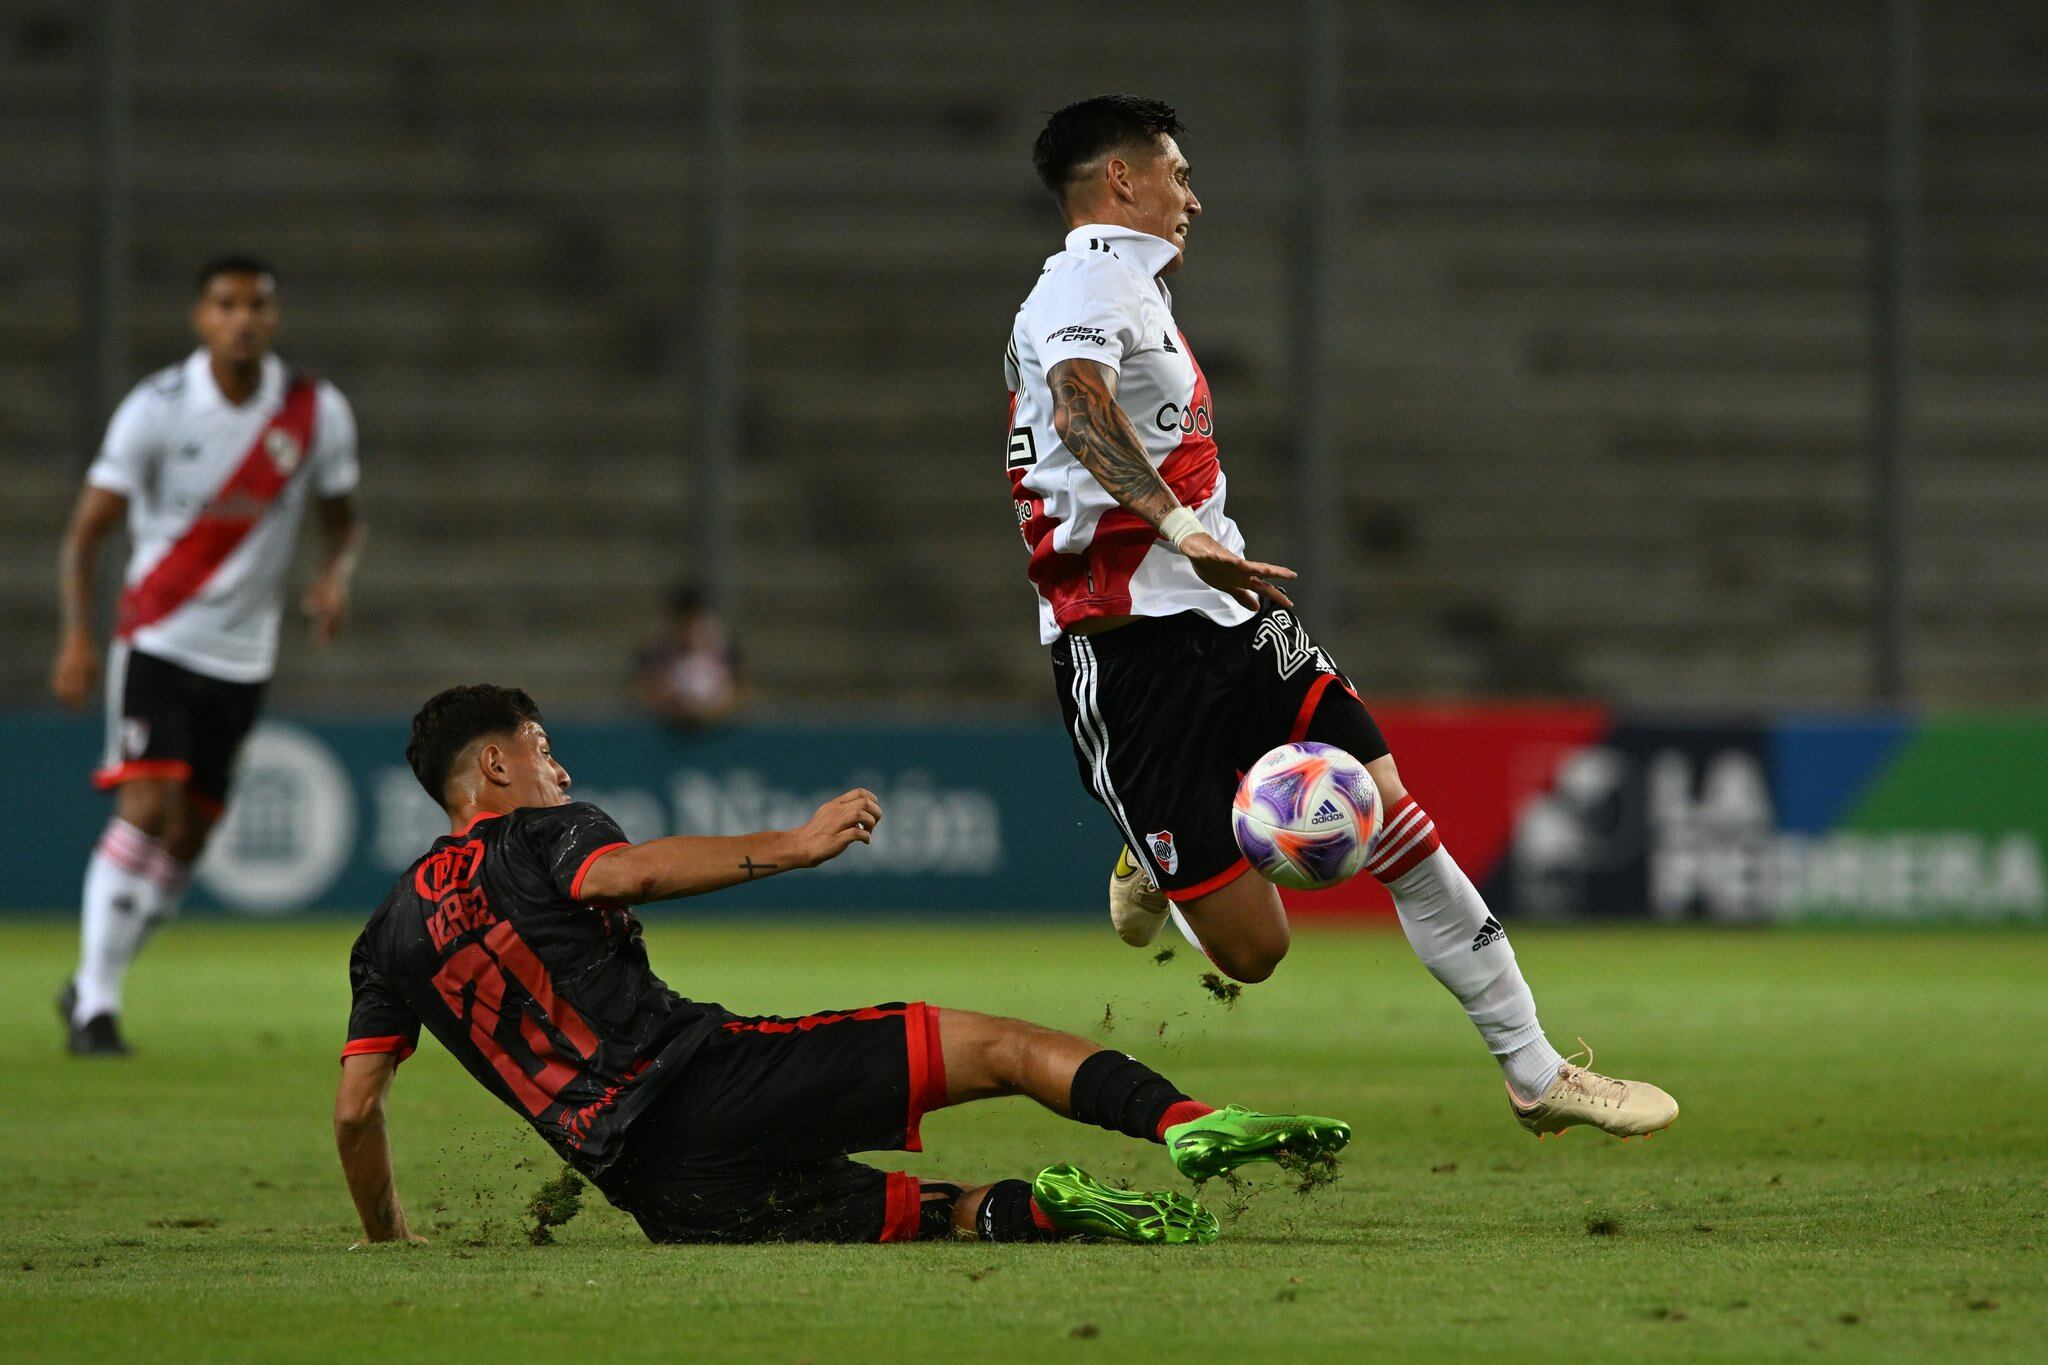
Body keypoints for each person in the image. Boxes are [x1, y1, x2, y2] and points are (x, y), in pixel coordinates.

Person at [1003, 95, 1675, 1139]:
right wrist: (1179, 527)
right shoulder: (1082, 283)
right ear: (1120, 182)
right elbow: (1078, 409)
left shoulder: (1138, 288)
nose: (1193, 194)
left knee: (1394, 818)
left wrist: (1199, 547)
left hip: (1233, 616)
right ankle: (1148, 848)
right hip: (1124, 650)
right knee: (1254, 953)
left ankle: (1535, 1073)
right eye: (1175, 173)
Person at [335, 685, 1351, 1246]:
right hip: (709, 1083)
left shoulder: (387, 934)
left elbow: (354, 1110)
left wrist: (389, 1239)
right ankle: (1183, 1123)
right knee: (1000, 1047)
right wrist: (795, 845)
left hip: (658, 1195)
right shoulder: (545, 832)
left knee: (936, 1215)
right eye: (541, 744)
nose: (558, 764)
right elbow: (623, 874)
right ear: (497, 766)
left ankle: (1045, 1207)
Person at [50, 255, 365, 1056]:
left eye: (258, 303)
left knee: (189, 836)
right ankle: (97, 1005)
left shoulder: (313, 411)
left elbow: (343, 521)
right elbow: (87, 533)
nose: (243, 319)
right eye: (226, 305)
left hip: (244, 656)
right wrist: (80, 635)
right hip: (159, 636)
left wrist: (333, 580)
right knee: (148, 808)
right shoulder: (156, 408)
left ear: (275, 315)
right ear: (201, 317)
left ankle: (91, 977)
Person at [634, 584, 743, 728]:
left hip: (717, 728)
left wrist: (710, 710)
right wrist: (671, 706)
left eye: (694, 621)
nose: (689, 628)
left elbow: (741, 691)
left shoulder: (721, 645)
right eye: (684, 621)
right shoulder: (658, 646)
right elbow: (640, 690)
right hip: (666, 730)